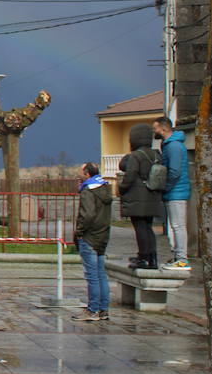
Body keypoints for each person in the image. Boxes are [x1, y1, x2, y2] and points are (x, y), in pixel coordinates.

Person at [119, 122, 164, 270]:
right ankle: (152, 258)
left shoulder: (136, 156)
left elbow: (130, 175)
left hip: (137, 199)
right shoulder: (156, 154)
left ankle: (143, 258)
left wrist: (122, 188)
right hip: (153, 196)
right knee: (148, 228)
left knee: (140, 228)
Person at [73, 162, 114, 322]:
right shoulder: (104, 188)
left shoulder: (88, 191)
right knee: (101, 274)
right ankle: (103, 309)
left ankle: (93, 309)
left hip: (89, 236)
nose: (78, 174)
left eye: (80, 171)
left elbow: (88, 214)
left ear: (87, 174)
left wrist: (80, 231)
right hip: (102, 235)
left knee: (92, 276)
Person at [153, 115, 191, 268]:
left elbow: (174, 171)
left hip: (176, 191)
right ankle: (178, 257)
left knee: (178, 225)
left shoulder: (173, 146)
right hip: (175, 191)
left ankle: (182, 259)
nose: (154, 131)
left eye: (155, 128)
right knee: (176, 225)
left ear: (163, 128)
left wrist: (166, 187)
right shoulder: (170, 145)